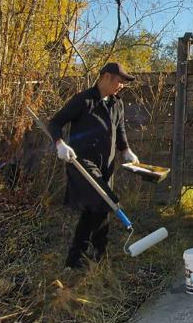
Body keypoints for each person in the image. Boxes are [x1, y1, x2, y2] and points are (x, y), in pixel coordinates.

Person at [48, 62, 139, 270]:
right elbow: (55, 123)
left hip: (106, 165)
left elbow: (121, 129)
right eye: (119, 80)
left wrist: (126, 151)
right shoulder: (84, 100)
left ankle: (80, 259)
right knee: (106, 201)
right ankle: (95, 254)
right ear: (106, 77)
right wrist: (60, 144)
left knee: (95, 210)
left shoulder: (117, 103)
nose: (122, 85)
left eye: (124, 83)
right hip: (82, 163)